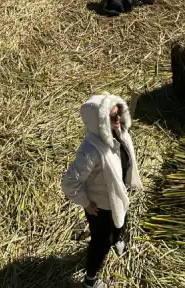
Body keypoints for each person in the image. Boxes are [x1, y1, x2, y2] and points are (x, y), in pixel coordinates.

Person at [62, 94, 142, 288]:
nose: (118, 120)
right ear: (98, 123)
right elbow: (69, 183)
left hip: (117, 195)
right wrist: (86, 203)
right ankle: (90, 280)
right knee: (101, 242)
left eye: (119, 114)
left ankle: (117, 239)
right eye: (112, 117)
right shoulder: (90, 150)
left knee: (120, 222)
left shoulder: (119, 133)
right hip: (101, 205)